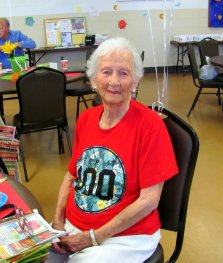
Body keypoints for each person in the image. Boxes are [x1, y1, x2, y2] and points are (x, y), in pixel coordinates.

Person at [46, 37, 178, 263]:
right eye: (106, 72)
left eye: (124, 73)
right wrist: (58, 220)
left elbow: (149, 200)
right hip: (74, 227)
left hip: (126, 237)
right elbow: (71, 176)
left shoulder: (150, 126)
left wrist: (91, 238)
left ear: (135, 81)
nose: (114, 81)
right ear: (94, 79)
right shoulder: (86, 119)